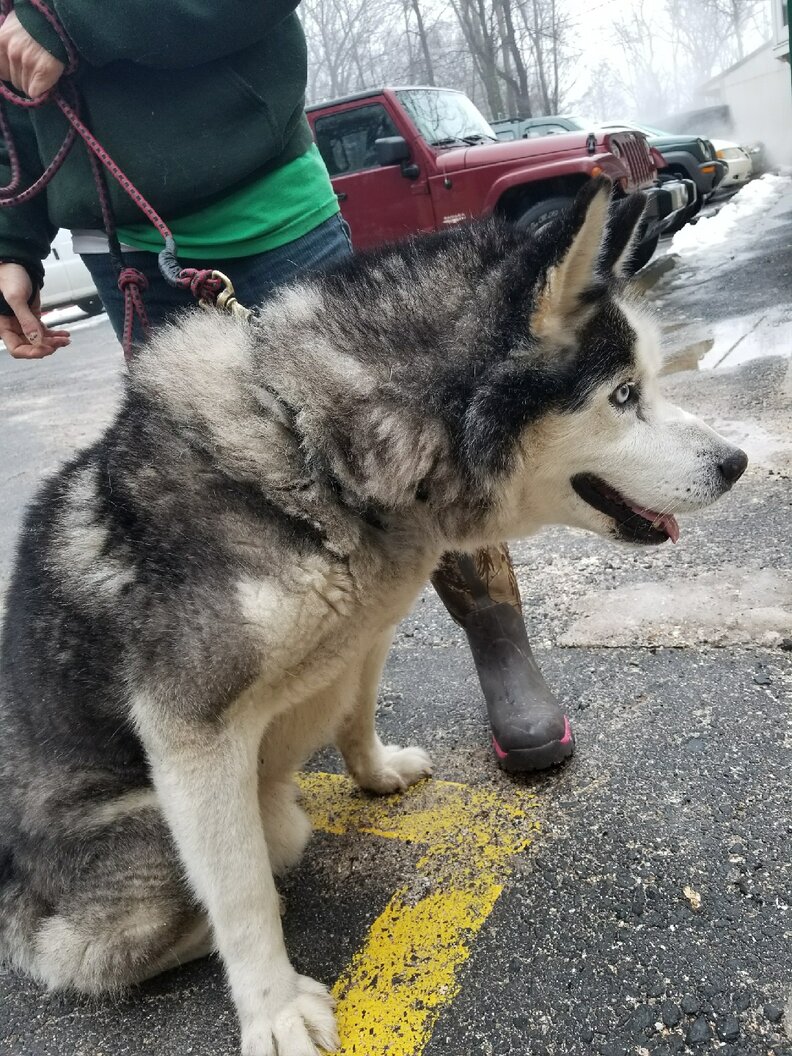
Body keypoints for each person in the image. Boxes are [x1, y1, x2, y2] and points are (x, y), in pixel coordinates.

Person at [0, 0, 572, 772]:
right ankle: (287, 696)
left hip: (270, 210)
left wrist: (75, 21)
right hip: (120, 245)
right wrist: (13, 242)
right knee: (203, 504)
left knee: (415, 448)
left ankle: (497, 642)